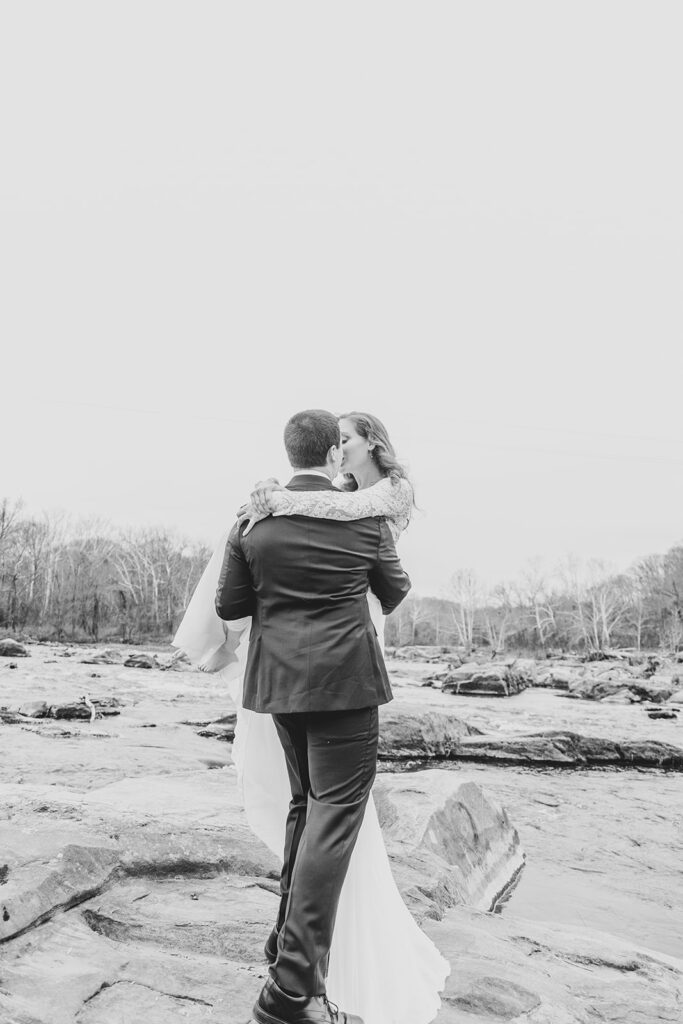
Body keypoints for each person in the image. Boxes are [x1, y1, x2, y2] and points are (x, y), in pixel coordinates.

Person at [173, 410, 449, 1024]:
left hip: (278, 687)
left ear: (288, 451)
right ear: (330, 453)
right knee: (335, 818)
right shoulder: (366, 521)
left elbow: (231, 603)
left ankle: (281, 945)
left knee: (304, 808)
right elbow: (396, 589)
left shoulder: (253, 520)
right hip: (347, 685)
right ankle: (290, 992)